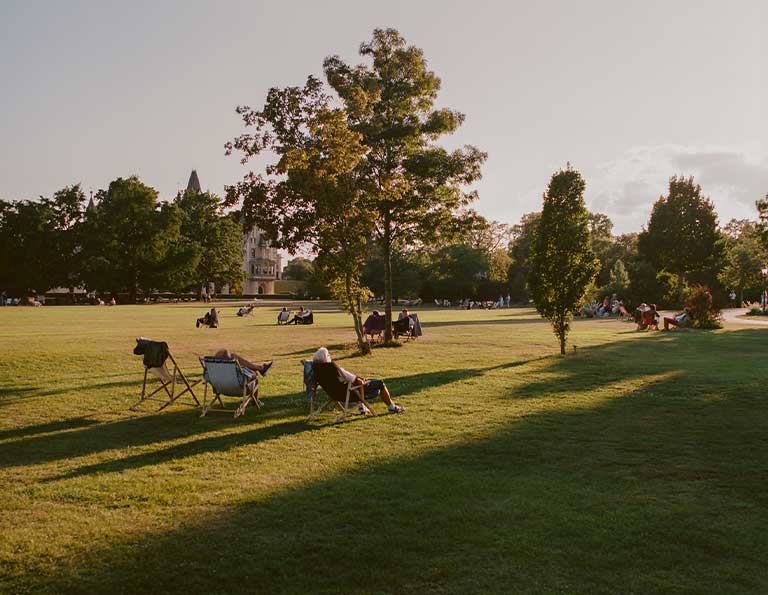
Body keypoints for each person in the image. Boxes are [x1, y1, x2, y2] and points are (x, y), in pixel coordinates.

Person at [312, 347, 404, 413]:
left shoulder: (317, 371)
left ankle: (362, 407)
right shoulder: (334, 369)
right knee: (379, 383)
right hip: (349, 394)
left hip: (335, 394)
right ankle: (392, 407)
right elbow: (357, 381)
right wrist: (364, 381)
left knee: (351, 385)